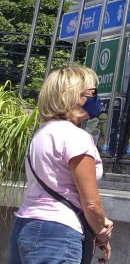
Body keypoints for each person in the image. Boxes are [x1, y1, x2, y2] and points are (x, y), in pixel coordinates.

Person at [8, 66, 114, 263]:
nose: (97, 98)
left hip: (25, 227)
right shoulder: (76, 136)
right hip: (57, 234)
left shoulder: (41, 134)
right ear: (74, 96)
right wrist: (101, 232)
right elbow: (91, 202)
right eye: (92, 92)